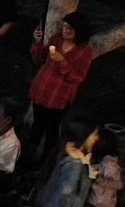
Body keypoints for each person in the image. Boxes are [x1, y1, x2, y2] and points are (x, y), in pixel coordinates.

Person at [27, 11, 95, 167]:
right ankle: (27, 158)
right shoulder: (56, 40)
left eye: (70, 28)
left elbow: (77, 77)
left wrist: (62, 61)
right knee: (37, 126)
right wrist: (36, 42)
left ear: (79, 30)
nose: (65, 30)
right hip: (42, 91)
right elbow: (40, 58)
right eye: (63, 26)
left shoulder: (84, 52)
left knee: (51, 129)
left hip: (58, 98)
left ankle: (45, 162)